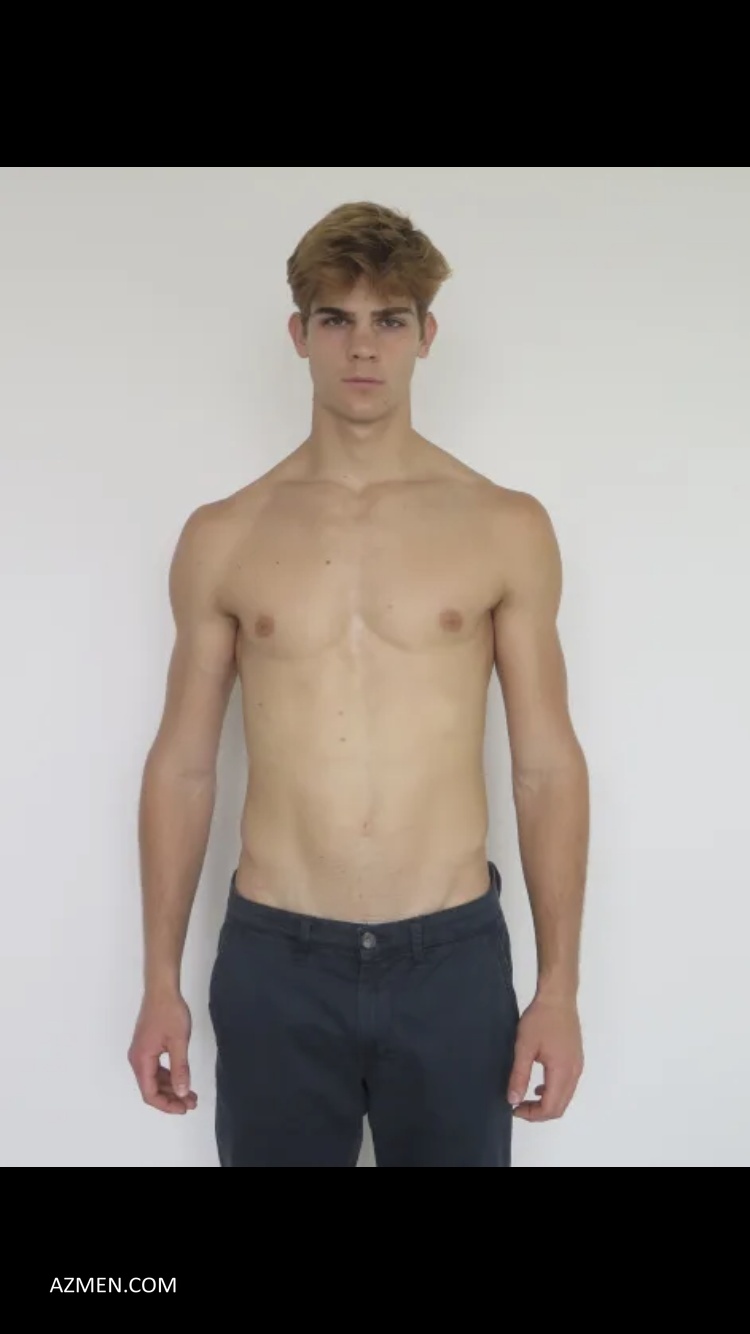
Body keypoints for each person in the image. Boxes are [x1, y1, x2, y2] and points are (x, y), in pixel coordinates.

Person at [127, 201, 590, 1168]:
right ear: (299, 335)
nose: (364, 346)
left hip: (451, 960)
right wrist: (159, 981)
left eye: (389, 319)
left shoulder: (504, 526)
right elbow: (183, 766)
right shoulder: (225, 535)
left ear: (427, 333)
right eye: (336, 318)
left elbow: (546, 765)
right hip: (277, 960)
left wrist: (559, 989)